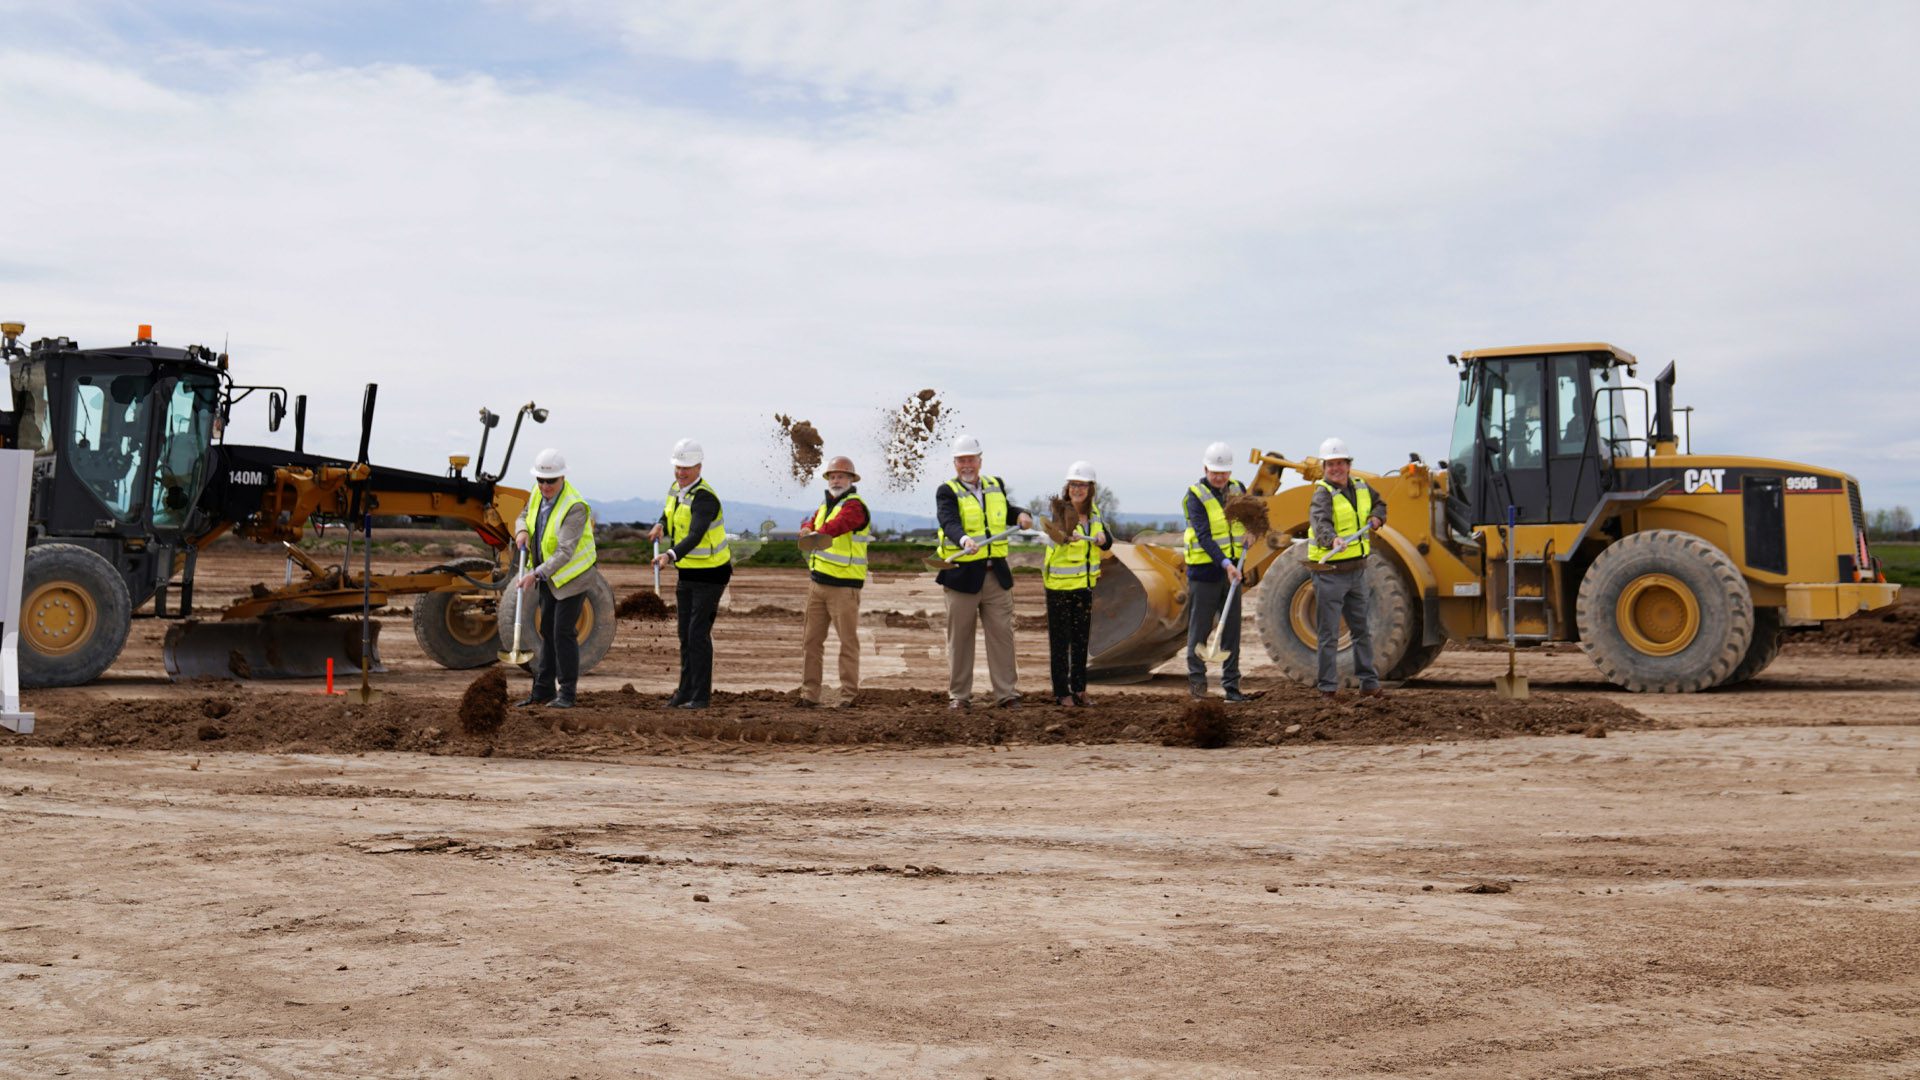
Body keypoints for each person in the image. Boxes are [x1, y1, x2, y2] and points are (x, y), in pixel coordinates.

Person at [934, 434, 1034, 709]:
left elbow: (1005, 511)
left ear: (980, 460)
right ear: (955, 462)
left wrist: (1021, 514)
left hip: (995, 576)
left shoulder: (995, 485)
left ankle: (1007, 694)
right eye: (961, 460)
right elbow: (948, 520)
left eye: (971, 459)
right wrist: (964, 539)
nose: (967, 464)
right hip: (961, 576)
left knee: (1002, 636)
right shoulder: (947, 491)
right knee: (960, 640)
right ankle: (959, 696)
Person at [648, 438, 730, 710]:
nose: (681, 473)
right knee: (685, 633)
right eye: (678, 467)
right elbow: (669, 513)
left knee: (697, 633)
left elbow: (695, 535)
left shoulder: (705, 498)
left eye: (687, 468)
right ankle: (684, 692)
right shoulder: (676, 489)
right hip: (689, 573)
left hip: (711, 574)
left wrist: (669, 555)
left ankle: (701, 696)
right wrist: (661, 524)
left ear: (699, 467)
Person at [513, 448, 597, 709]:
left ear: (562, 478)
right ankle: (542, 691)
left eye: (551, 481)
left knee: (562, 632)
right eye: (541, 480)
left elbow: (565, 552)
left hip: (573, 576)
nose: (545, 485)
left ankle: (567, 693)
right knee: (547, 631)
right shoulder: (537, 493)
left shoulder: (575, 507)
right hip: (549, 577)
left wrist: (535, 573)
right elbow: (523, 516)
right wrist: (521, 531)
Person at [1308, 436, 1388, 699]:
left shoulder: (1362, 487)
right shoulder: (1322, 493)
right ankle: (1328, 688)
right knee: (1329, 634)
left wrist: (1377, 517)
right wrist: (1332, 539)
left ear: (1348, 465)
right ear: (1324, 468)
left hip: (1357, 571)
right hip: (1330, 572)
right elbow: (1320, 523)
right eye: (1330, 464)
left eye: (1340, 463)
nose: (1336, 468)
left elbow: (1380, 504)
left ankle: (1369, 683)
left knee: (1362, 630)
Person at [796, 455, 870, 708]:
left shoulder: (855, 506)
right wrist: (807, 527)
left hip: (844, 587)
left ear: (851, 479)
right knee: (811, 642)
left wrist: (817, 533)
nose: (836, 480)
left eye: (841, 476)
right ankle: (809, 695)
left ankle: (849, 696)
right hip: (818, 584)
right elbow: (812, 519)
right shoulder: (825, 505)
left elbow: (841, 525)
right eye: (833, 476)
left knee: (848, 643)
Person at [1184, 441, 1250, 701]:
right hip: (1205, 573)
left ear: (1230, 472)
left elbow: (1252, 518)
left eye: (1224, 472)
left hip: (1233, 573)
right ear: (1206, 469)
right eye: (1215, 472)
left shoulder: (1238, 489)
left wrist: (1252, 531)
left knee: (1231, 633)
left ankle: (1232, 689)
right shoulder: (1195, 495)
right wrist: (1226, 564)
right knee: (1199, 632)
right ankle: (1198, 690)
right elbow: (1204, 536)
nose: (1220, 477)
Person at [1042, 460, 1113, 707]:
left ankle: (1080, 689)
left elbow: (1107, 541)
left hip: (1083, 587)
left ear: (1090, 488)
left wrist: (1104, 538)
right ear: (1067, 487)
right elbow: (1051, 539)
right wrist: (1062, 536)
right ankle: (1062, 693)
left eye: (1082, 485)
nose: (1077, 489)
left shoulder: (1095, 515)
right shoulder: (1060, 512)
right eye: (1073, 484)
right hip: (1059, 588)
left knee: (1081, 642)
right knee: (1060, 644)